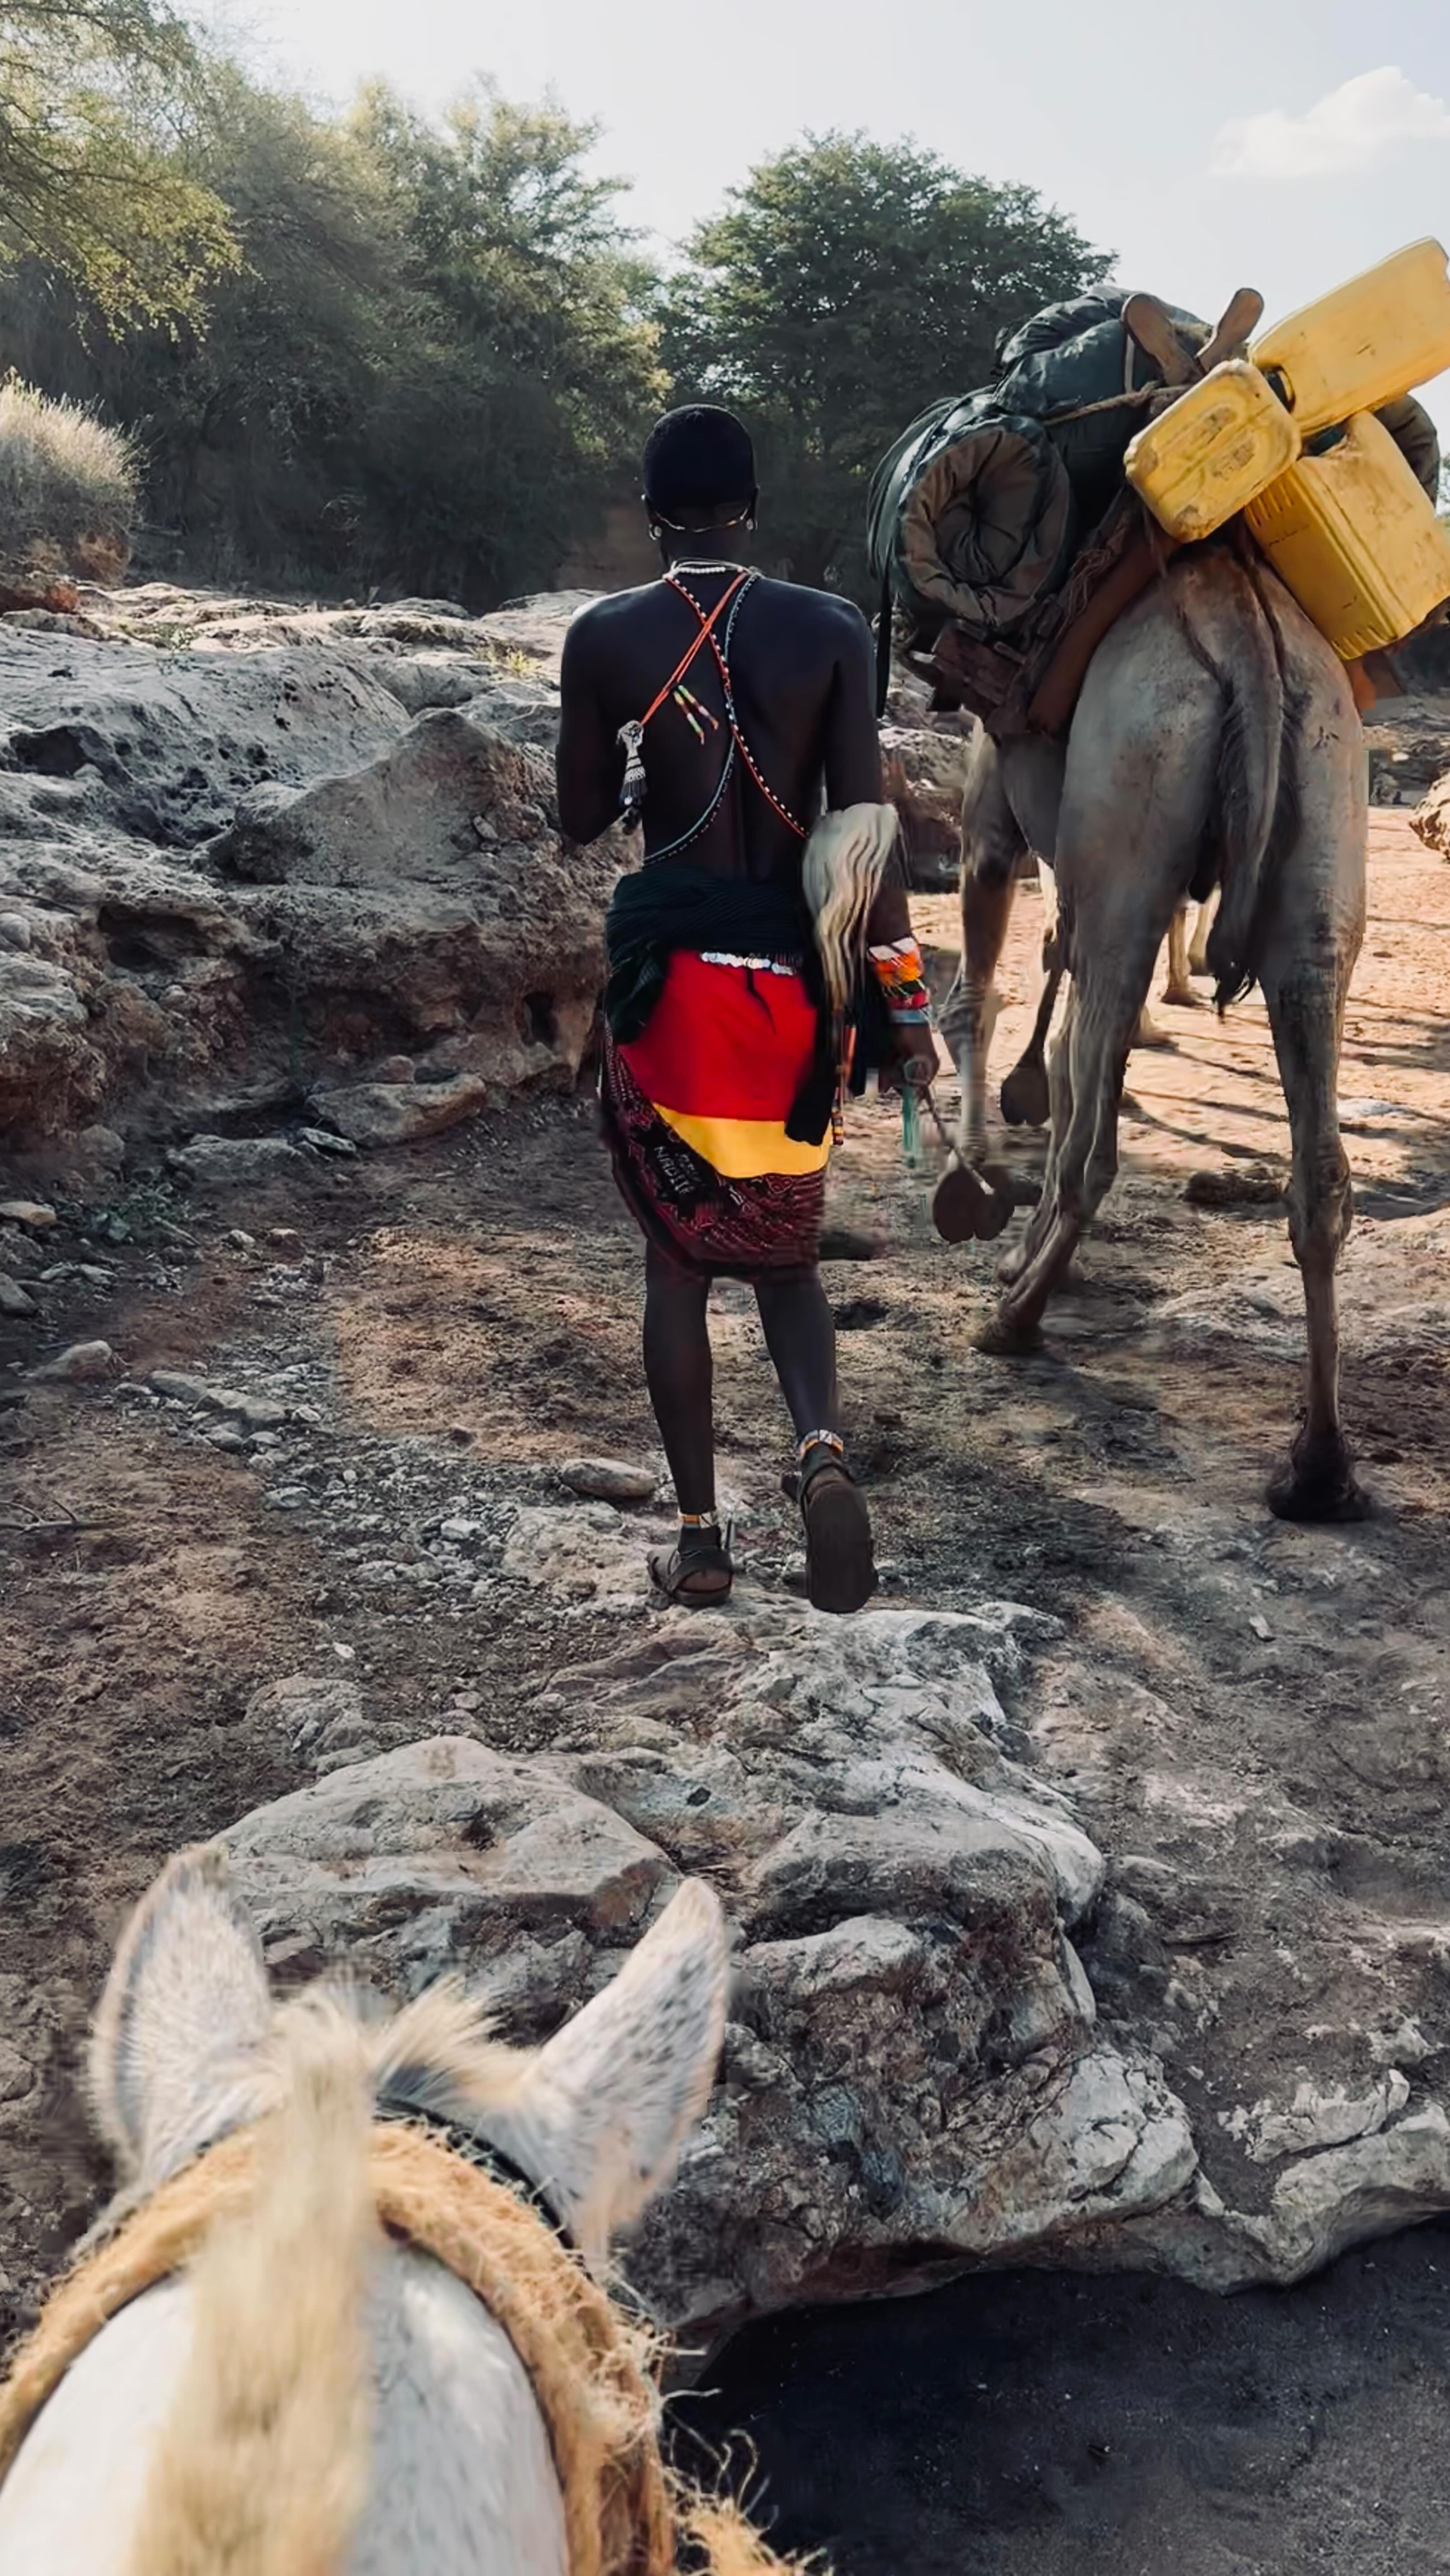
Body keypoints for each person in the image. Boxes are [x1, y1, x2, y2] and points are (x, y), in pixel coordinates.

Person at [557, 405, 936, 1614]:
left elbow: (575, 817)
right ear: (753, 510)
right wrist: (907, 1007)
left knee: (678, 1267)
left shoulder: (605, 636)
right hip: (796, 1001)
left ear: (652, 513)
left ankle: (700, 1539)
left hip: (674, 997)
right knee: (785, 1260)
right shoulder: (830, 630)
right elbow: (861, 830)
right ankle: (820, 1453)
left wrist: (636, 767)